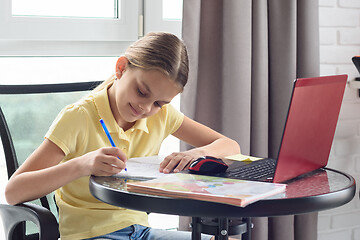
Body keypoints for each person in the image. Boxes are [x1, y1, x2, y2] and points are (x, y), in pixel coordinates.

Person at [5, 32, 241, 240]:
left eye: (159, 103)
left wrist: (195, 154)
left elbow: (230, 145)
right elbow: (14, 191)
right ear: (121, 68)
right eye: (141, 92)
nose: (146, 109)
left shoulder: (162, 116)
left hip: (141, 231)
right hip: (89, 234)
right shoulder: (78, 117)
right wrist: (82, 165)